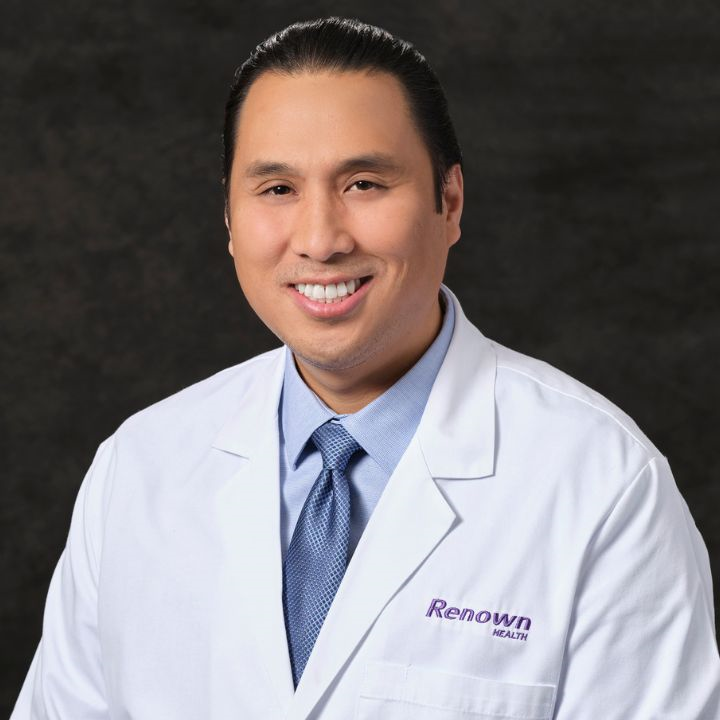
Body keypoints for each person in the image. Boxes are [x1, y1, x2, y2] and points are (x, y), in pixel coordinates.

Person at [11, 17, 720, 720]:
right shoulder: (137, 469)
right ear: (228, 218)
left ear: (449, 202)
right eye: (277, 189)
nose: (320, 240)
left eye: (364, 183)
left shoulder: (602, 484)